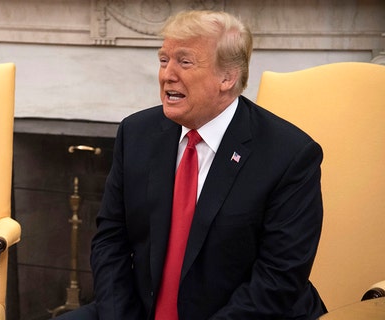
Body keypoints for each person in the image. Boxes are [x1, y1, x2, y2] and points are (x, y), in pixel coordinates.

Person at [57, 10, 327, 320]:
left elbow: (278, 278)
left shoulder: (290, 155)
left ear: (227, 77)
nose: (167, 75)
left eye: (184, 62)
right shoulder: (136, 133)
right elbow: (110, 240)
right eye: (163, 60)